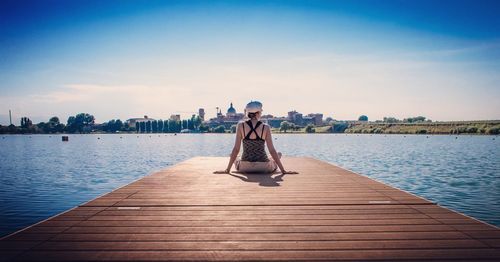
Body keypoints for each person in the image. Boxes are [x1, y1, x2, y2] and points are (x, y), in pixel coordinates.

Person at [214, 101, 297, 174]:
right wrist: (283, 170)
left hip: (245, 167)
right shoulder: (266, 127)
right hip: (263, 167)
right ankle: (273, 163)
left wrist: (227, 170)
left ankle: (232, 167)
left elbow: (236, 149)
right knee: (278, 154)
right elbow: (272, 150)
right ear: (257, 113)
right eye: (261, 111)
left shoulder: (240, 126)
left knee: (233, 155)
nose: (261, 113)